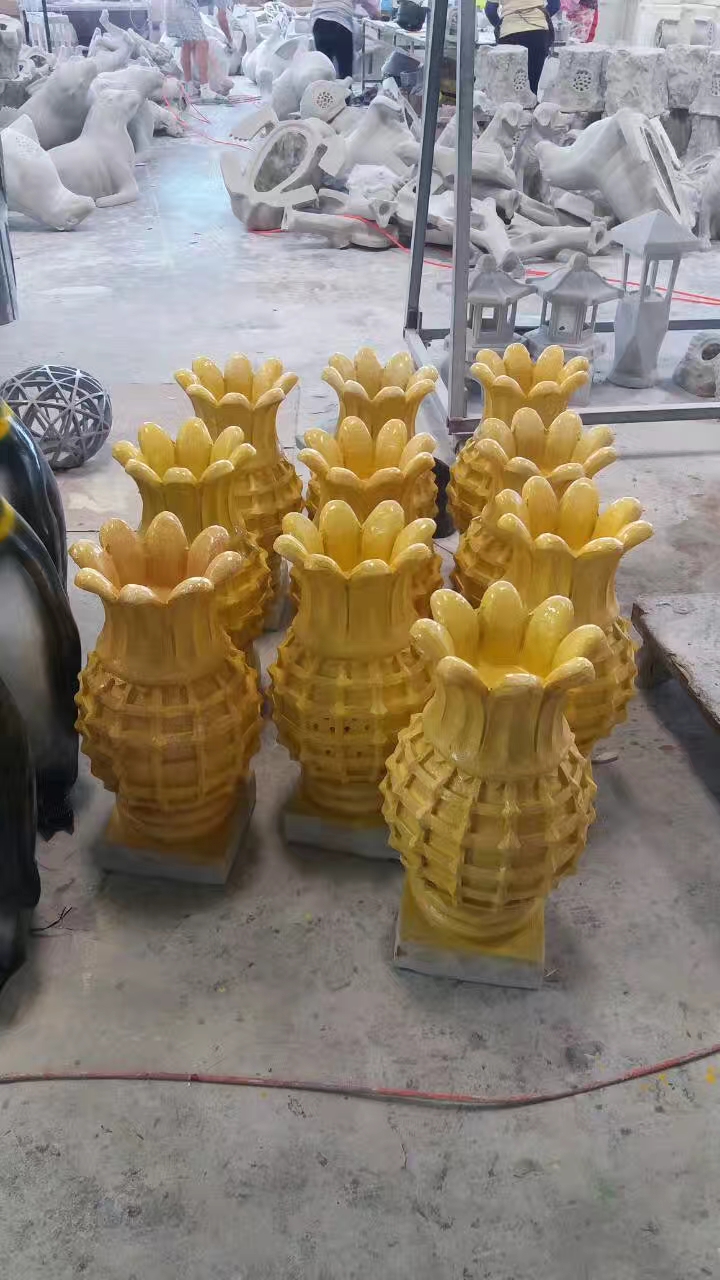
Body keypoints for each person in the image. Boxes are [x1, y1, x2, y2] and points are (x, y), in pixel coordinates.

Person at [485, 0, 559, 95]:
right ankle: (532, 100)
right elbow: (555, 5)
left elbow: (490, 10)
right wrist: (538, 16)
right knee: (532, 84)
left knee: (509, 83)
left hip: (509, 32)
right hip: (538, 31)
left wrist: (500, 25)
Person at [166, 0, 231, 101]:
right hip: (186, 6)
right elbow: (222, 19)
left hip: (172, 5)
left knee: (187, 43)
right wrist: (230, 39)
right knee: (202, 44)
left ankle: (189, 87)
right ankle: (205, 90)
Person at [311, 0, 380, 80]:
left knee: (324, 70)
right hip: (340, 23)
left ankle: (324, 87)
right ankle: (345, 87)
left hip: (319, 23)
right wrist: (376, 15)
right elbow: (367, 3)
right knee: (345, 72)